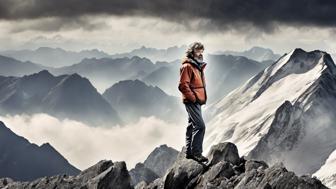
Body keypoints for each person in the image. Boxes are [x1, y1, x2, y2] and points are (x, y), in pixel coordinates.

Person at [178, 42, 208, 163]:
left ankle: (189, 153)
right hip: (192, 101)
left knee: (192, 125)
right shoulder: (188, 66)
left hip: (197, 100)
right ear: (191, 52)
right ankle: (197, 153)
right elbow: (182, 85)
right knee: (200, 126)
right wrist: (193, 98)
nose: (200, 54)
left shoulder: (197, 66)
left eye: (201, 51)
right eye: (198, 51)